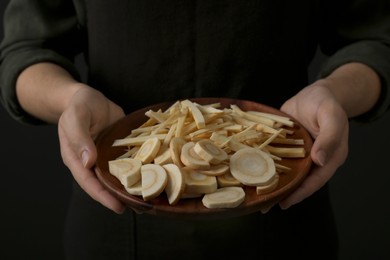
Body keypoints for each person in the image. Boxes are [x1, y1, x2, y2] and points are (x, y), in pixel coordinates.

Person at [1, 0, 389, 259]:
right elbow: (27, 48)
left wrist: (333, 93)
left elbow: (374, 39)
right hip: (117, 220)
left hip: (284, 210)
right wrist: (70, 99)